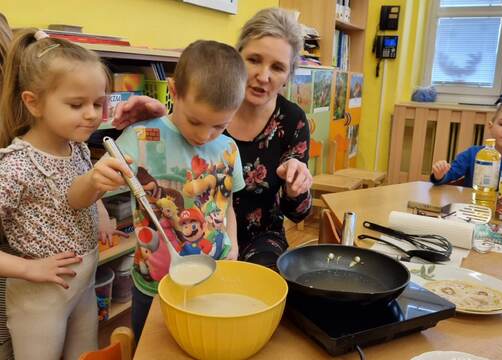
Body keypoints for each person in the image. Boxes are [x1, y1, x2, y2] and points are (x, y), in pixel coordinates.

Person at [114, 7, 313, 270]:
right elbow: (174, 133)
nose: (263, 76)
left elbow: (298, 213)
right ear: (236, 58)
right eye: (254, 59)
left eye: (277, 67)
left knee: (260, 284)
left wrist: (295, 188)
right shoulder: (206, 105)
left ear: (288, 75)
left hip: (261, 240)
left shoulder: (292, 120)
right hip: (190, 236)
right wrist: (158, 118)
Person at [102, 40, 247, 343]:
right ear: (174, 91)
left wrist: (232, 242)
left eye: (219, 125)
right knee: (153, 347)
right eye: (195, 120)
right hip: (154, 284)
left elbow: (227, 203)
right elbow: (96, 182)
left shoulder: (229, 148)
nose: (204, 135)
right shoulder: (142, 136)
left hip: (212, 275)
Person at [0, 29, 130, 360]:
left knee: (85, 354)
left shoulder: (77, 147)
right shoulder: (14, 168)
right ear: (33, 102)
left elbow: (77, 190)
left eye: (98, 103)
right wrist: (28, 269)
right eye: (76, 104)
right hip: (38, 295)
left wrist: (100, 213)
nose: (91, 114)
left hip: (82, 284)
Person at [431, 99, 502, 194]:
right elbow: (449, 175)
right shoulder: (472, 153)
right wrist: (439, 175)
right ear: (490, 126)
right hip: (472, 208)